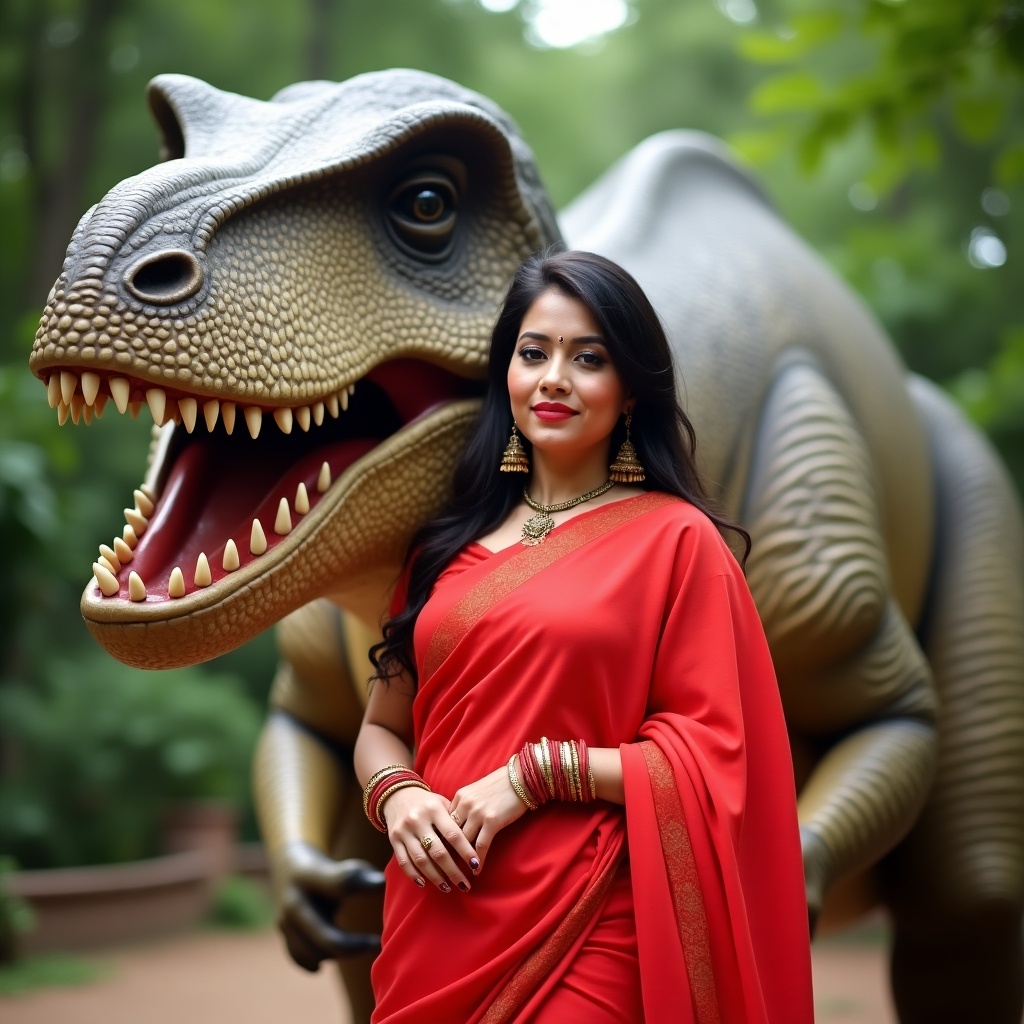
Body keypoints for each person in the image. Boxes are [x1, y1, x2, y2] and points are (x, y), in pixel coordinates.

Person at [353, 249, 814, 1023]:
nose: (554, 378)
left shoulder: (675, 542)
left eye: (587, 358)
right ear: (508, 373)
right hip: (434, 915)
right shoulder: (442, 549)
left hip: (589, 917)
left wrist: (537, 775)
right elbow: (380, 729)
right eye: (534, 353)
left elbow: (717, 755)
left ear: (630, 390)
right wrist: (395, 796)